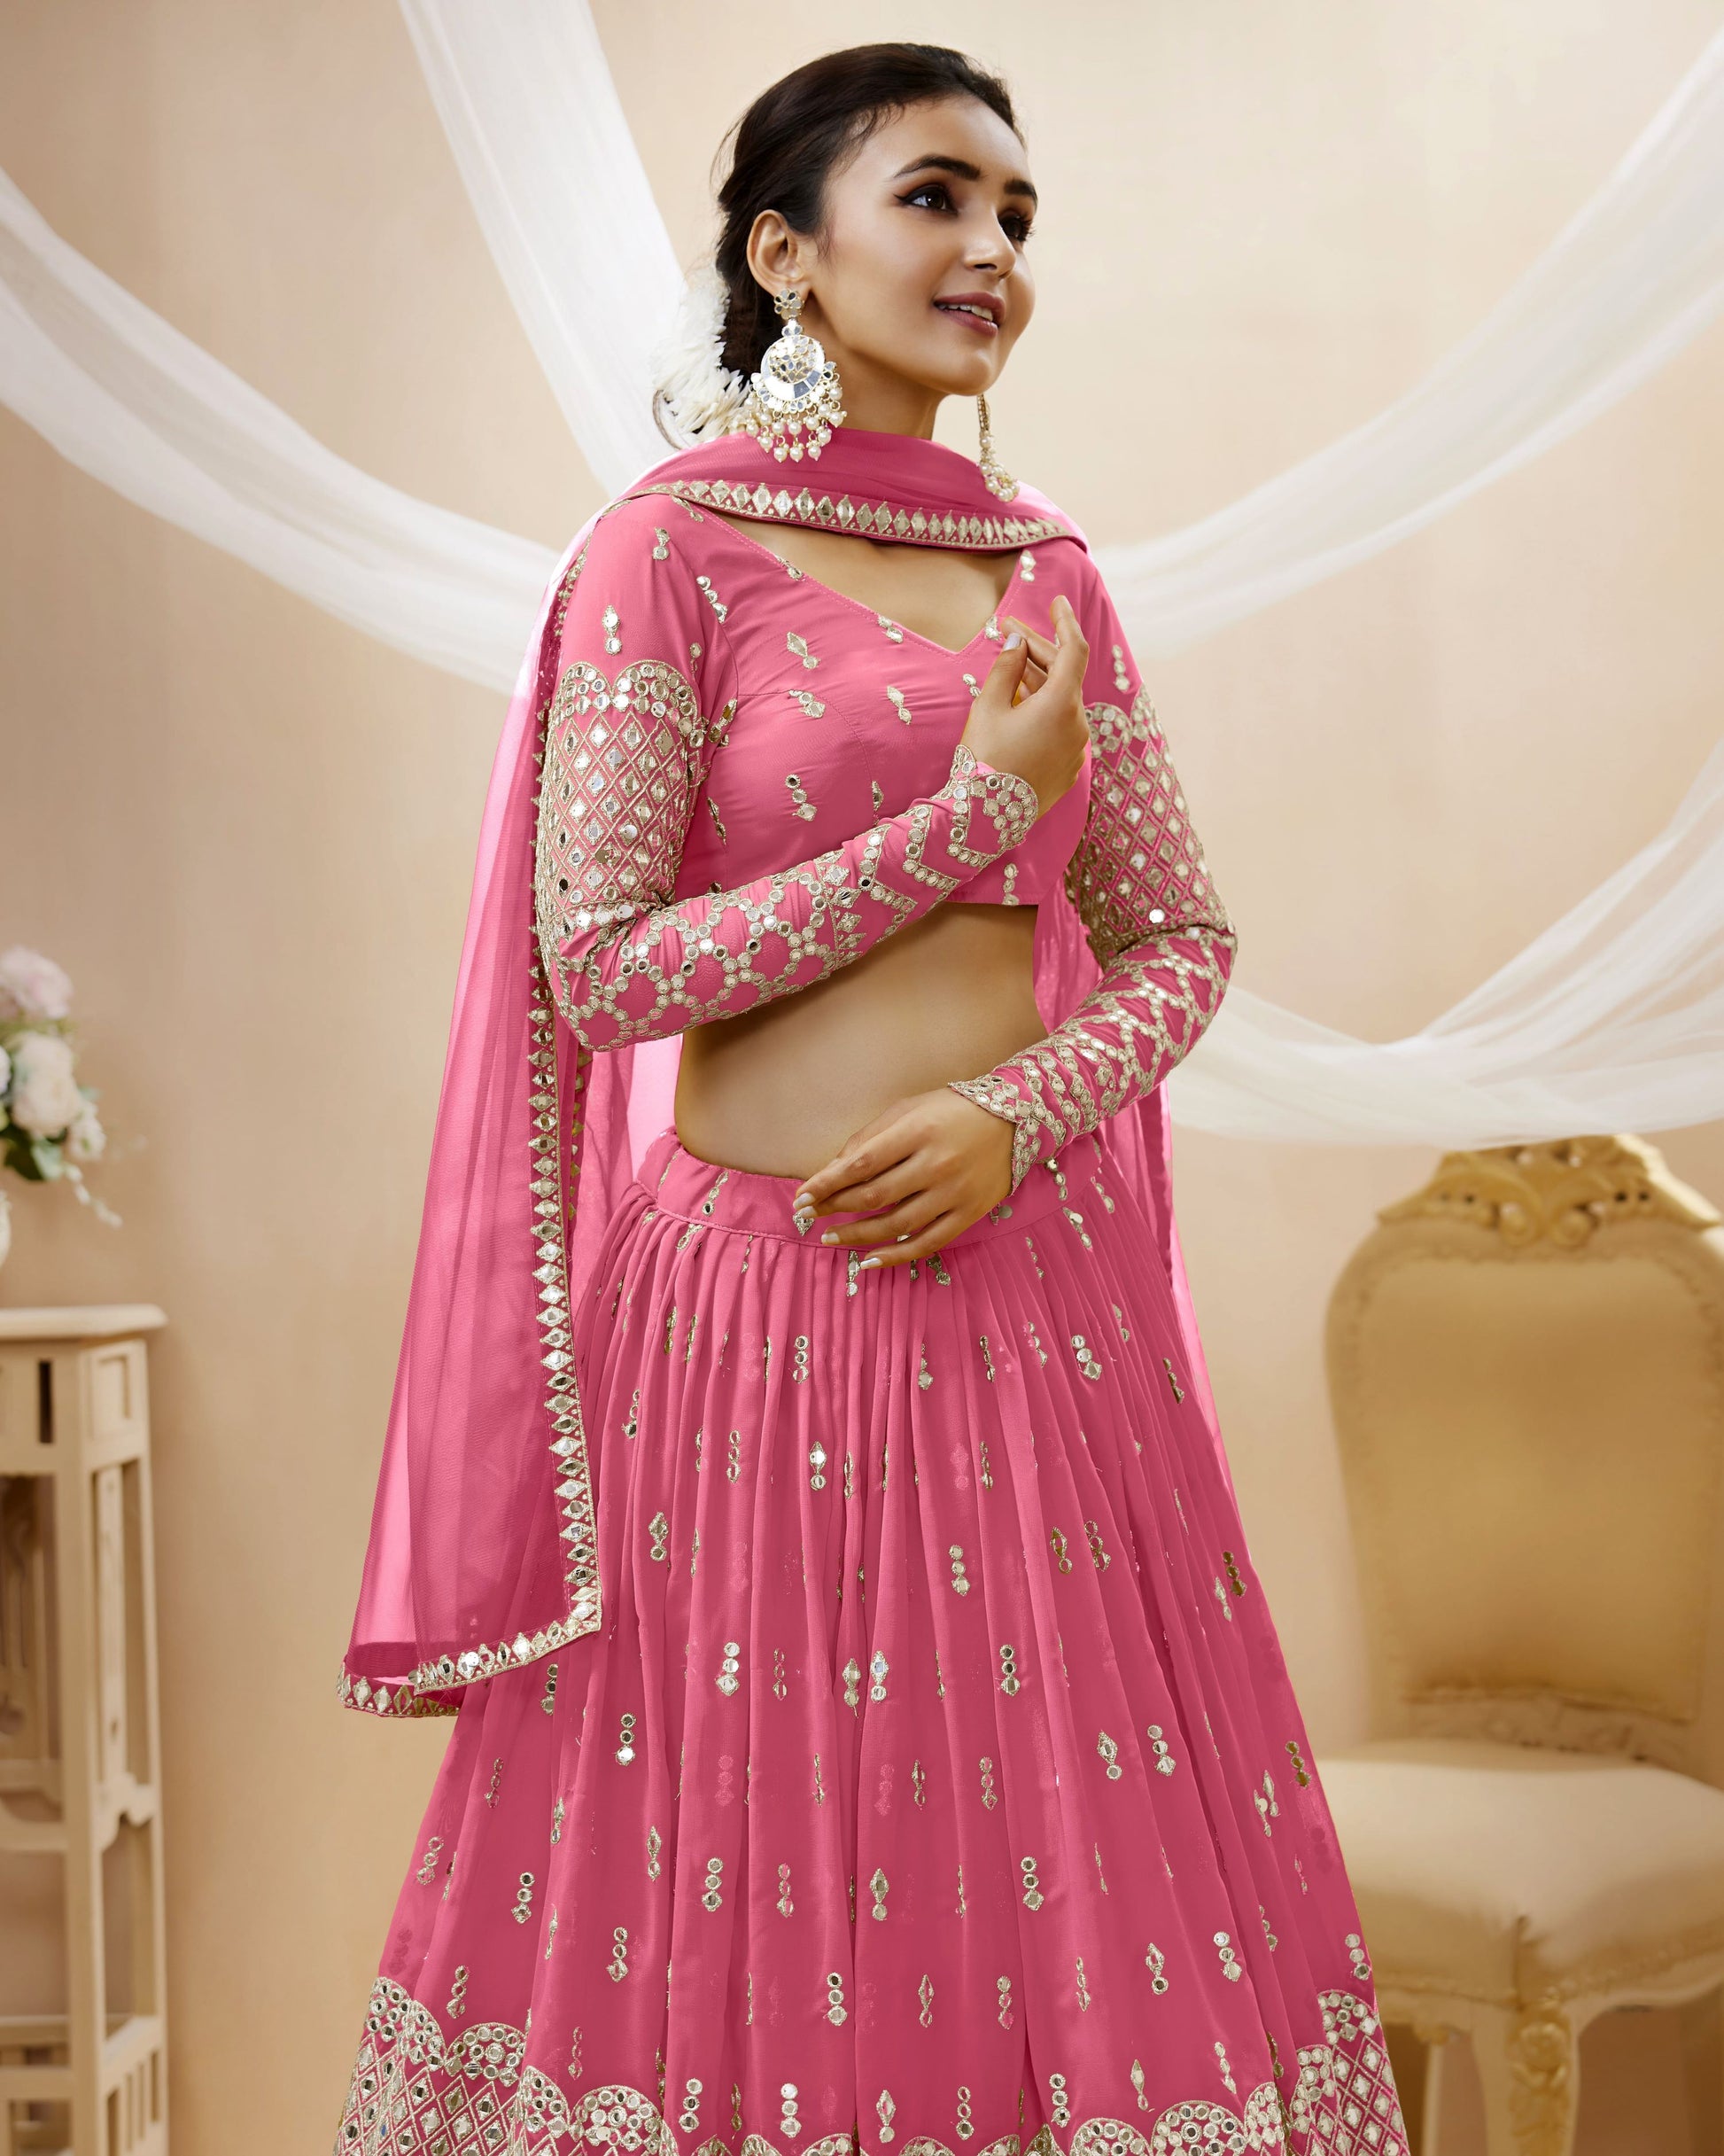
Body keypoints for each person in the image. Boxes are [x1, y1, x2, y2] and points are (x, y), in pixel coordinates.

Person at [333, 43, 1410, 2156]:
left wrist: (1023, 1110)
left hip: (1037, 1331)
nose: (991, 248)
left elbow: (1181, 937)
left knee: (1049, 1881)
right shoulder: (671, 554)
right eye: (934, 197)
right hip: (744, 1334)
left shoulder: (1050, 574)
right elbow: (604, 958)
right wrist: (953, 829)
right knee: (747, 1881)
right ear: (783, 253)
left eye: (1018, 215)